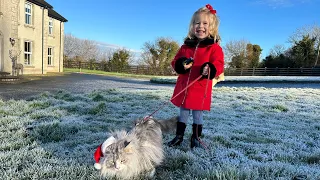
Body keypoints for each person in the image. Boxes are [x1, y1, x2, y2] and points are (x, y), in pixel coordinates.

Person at [168, 4, 224, 148]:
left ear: (211, 27)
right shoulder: (185, 47)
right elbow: (175, 62)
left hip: (200, 88)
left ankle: (196, 138)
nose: (200, 26)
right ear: (192, 26)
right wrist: (181, 65)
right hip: (184, 87)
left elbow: (219, 65)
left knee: (197, 114)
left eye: (205, 23)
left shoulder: (215, 48)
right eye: (197, 23)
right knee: (183, 113)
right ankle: (178, 136)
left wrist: (209, 68)